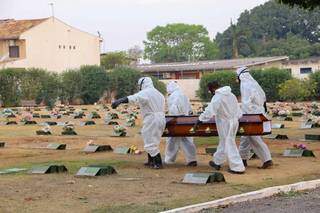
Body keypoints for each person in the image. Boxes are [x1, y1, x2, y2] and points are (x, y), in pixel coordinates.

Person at [112, 77, 166, 169]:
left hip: (152, 118)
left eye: (139, 85)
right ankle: (151, 161)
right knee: (152, 139)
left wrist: (120, 101)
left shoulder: (146, 92)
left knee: (149, 140)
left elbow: (135, 98)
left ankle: (158, 163)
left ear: (142, 84)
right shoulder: (159, 93)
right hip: (161, 118)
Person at [195, 81, 245, 174]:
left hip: (225, 123)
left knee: (229, 143)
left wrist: (200, 119)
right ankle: (217, 162)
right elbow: (239, 111)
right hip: (234, 121)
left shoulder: (218, 97)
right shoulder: (231, 95)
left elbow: (210, 110)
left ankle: (238, 167)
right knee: (224, 141)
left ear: (212, 89)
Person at [236, 67, 273, 169]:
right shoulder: (254, 84)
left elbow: (246, 103)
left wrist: (245, 116)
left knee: (254, 137)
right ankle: (242, 160)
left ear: (241, 76)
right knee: (245, 137)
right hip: (260, 112)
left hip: (252, 114)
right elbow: (264, 98)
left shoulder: (244, 85)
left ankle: (267, 159)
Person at [165, 81, 197, 166]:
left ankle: (169, 159)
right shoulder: (183, 94)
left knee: (172, 140)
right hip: (185, 120)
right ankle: (192, 159)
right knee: (187, 140)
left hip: (176, 120)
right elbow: (190, 109)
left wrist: (172, 119)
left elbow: (173, 109)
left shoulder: (173, 96)